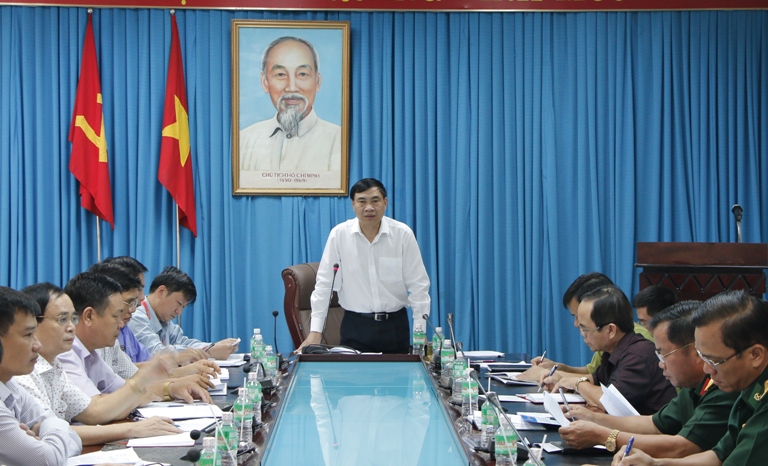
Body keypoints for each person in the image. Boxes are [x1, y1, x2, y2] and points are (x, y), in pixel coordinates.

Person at [559, 301, 737, 457]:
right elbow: (653, 423)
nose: (660, 364)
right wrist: (591, 418)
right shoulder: (692, 386)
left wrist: (604, 436)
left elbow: (683, 447)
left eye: (663, 354)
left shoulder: (722, 385)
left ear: (695, 351)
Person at [15, 283, 183, 445]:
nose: (71, 327)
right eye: (62, 319)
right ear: (32, 323)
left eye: (73, 318)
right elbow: (48, 432)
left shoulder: (55, 366)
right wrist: (133, 428)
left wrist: (151, 382)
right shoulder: (23, 374)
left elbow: (93, 411)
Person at [613, 291, 768, 466]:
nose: (706, 369)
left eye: (714, 361)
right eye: (702, 357)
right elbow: (717, 456)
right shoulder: (748, 384)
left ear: (755, 355)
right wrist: (654, 463)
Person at [295, 178, 431, 354]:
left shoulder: (402, 234)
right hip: (355, 327)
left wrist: (420, 331)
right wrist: (315, 332)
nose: (369, 208)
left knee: (398, 372)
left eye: (375, 201)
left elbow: (419, 286)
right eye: (362, 201)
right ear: (353, 204)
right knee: (354, 372)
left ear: (385, 202)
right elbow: (324, 286)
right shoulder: (339, 235)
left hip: (395, 327)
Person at [57, 272, 213, 405]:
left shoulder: (94, 352)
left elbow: (123, 385)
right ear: (89, 316)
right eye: (130, 302)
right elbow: (95, 409)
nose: (134, 309)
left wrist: (170, 387)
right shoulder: (66, 352)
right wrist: (161, 378)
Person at [547, 285, 676, 415]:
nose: (583, 335)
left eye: (585, 330)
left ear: (610, 330)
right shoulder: (614, 350)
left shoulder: (638, 355)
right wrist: (561, 381)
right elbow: (595, 380)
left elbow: (608, 401)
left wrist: (577, 384)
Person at [519, 273, 654, 382]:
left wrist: (552, 375)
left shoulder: (636, 344)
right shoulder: (608, 343)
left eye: (579, 316)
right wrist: (558, 369)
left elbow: (609, 393)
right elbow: (594, 376)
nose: (576, 324)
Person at [0, 286, 82, 464]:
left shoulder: (9, 385)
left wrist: (46, 439)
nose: (37, 345)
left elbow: (74, 439)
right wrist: (49, 434)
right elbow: (49, 460)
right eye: (28, 334)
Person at [239, 36, 342, 172]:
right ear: (265, 82)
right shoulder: (243, 141)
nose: (292, 88)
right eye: (281, 74)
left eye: (302, 74)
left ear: (317, 82)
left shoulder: (339, 140)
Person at [128, 266, 239, 360]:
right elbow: (158, 354)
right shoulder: (136, 317)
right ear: (161, 292)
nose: (179, 311)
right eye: (178, 303)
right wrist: (208, 352)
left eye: (183, 307)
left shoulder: (162, 319)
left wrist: (213, 346)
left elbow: (183, 343)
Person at [102, 256, 152, 363]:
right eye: (139, 289)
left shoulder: (124, 328)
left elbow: (134, 368)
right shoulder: (102, 335)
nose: (142, 297)